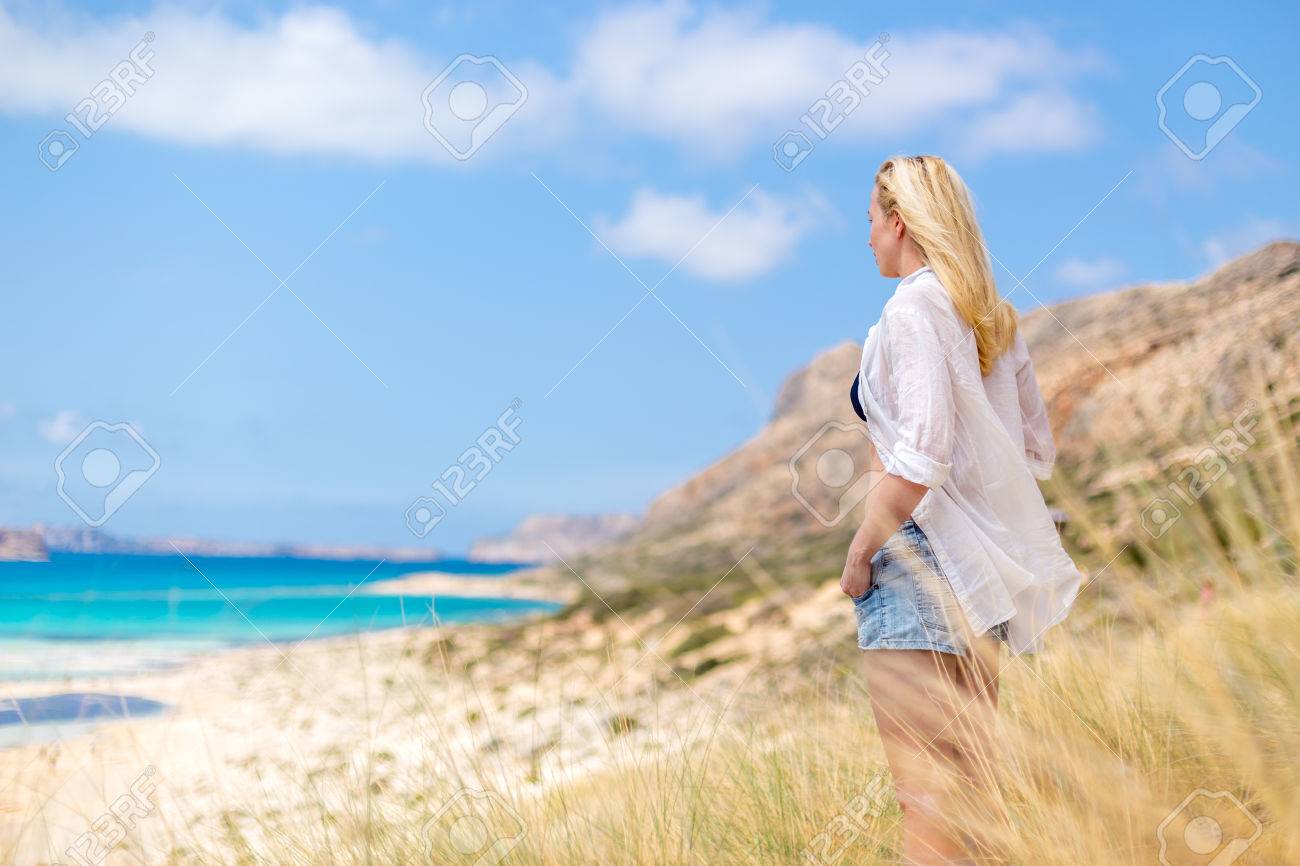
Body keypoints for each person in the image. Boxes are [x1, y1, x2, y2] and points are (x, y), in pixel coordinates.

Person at [841, 155, 1082, 865]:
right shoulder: (992, 318)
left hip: (917, 556)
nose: (868, 242)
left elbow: (922, 455)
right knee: (974, 792)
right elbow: (1035, 449)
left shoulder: (912, 310)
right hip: (978, 573)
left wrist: (860, 553)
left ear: (898, 221)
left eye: (870, 224)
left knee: (926, 804)